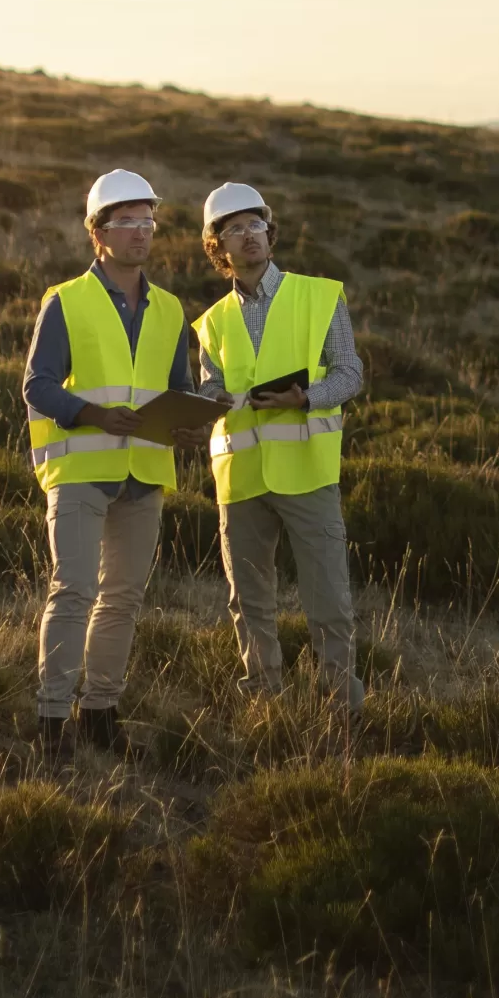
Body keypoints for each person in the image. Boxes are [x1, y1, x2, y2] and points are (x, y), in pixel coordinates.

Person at [22, 169, 192, 761]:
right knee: (71, 593)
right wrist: (92, 414)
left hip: (144, 473)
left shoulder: (170, 309)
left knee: (122, 599)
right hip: (80, 471)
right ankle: (51, 721)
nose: (141, 232)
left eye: (148, 221)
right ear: (97, 233)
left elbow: (179, 390)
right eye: (127, 222)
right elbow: (37, 387)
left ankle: (99, 714)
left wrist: (193, 424)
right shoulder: (65, 301)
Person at [193, 181, 368, 712]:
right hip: (240, 478)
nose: (249, 236)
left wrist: (307, 398)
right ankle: (263, 695)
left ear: (270, 232)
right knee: (247, 599)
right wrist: (209, 398)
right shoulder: (211, 322)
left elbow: (351, 373)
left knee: (329, 598)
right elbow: (208, 386)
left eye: (256, 225)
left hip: (307, 473)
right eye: (234, 229)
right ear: (217, 246)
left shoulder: (319, 295)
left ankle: (340, 702)